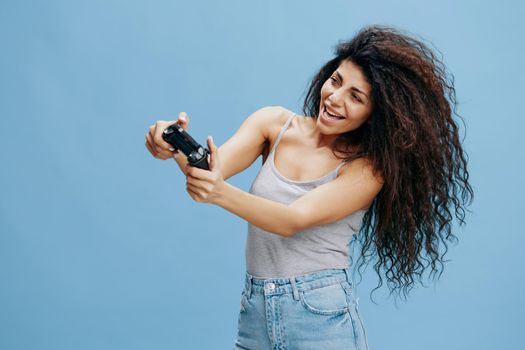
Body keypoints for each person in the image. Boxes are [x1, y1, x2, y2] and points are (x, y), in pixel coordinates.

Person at [145, 24, 473, 350]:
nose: (334, 98)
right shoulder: (272, 123)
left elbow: (292, 219)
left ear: (376, 114)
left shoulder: (366, 170)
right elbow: (210, 172)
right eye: (336, 81)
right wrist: (172, 145)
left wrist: (219, 193)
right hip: (255, 310)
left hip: (319, 316)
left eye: (355, 97)